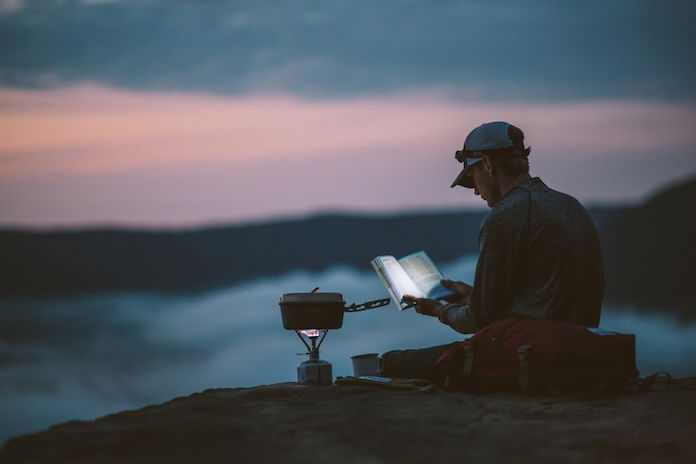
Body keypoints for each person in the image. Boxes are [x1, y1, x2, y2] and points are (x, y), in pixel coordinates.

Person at [381, 121, 604, 383]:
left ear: (487, 164)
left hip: (535, 354)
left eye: (472, 178)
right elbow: (546, 297)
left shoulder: (506, 216)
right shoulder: (569, 205)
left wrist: (438, 310)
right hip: (584, 348)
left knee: (389, 363)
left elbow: (481, 320)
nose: (475, 190)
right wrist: (474, 296)